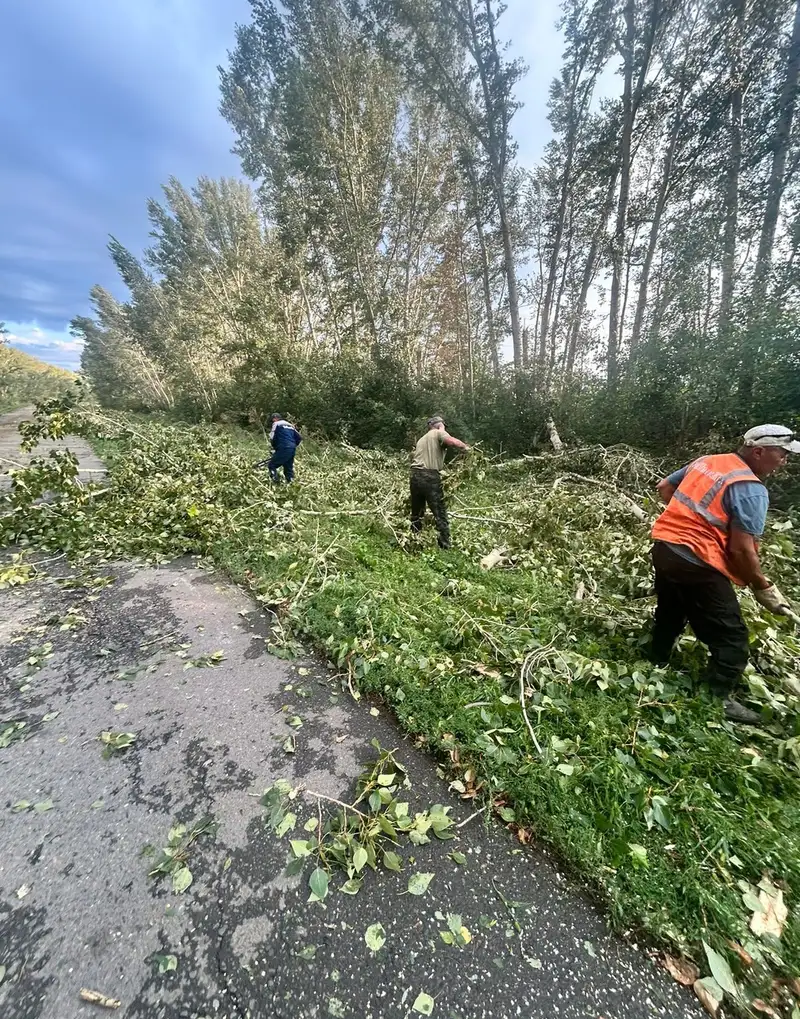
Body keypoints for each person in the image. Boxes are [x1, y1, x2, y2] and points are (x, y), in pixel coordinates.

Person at [650, 424, 800, 724]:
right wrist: (762, 587)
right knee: (732, 635)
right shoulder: (750, 489)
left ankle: (656, 658)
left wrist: (685, 523)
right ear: (759, 451)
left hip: (664, 547)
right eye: (781, 454)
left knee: (671, 607)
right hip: (697, 562)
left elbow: (664, 488)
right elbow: (741, 551)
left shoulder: (709, 461)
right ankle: (716, 697)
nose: (784, 462)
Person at [410, 416, 470, 549]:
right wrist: (466, 448)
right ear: (439, 425)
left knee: (417, 511)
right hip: (429, 476)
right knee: (440, 512)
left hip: (414, 475)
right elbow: (451, 441)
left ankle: (414, 539)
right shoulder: (438, 432)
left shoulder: (422, 439)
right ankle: (445, 546)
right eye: (443, 426)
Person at [265, 413, 302, 483]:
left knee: (271, 465)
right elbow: (299, 438)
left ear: (274, 419)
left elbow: (272, 437)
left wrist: (275, 448)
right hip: (292, 448)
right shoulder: (290, 425)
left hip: (283, 447)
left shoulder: (276, 424)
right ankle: (291, 483)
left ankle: (275, 482)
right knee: (288, 468)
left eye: (272, 420)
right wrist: (293, 445)